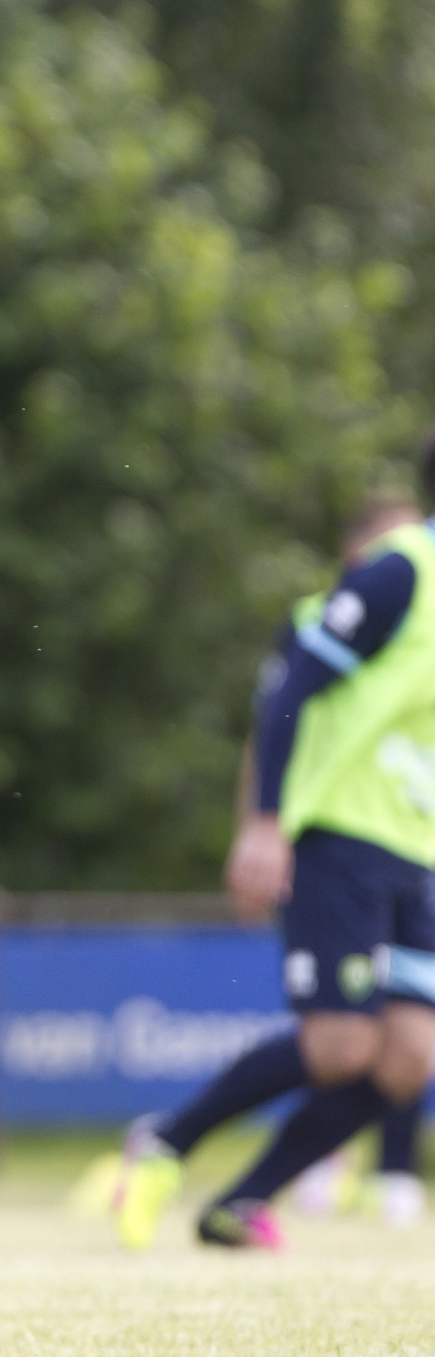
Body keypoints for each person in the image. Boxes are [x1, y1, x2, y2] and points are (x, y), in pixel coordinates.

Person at [115, 474, 435, 1249]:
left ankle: (241, 1201)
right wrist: (263, 824)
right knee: (341, 1044)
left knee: (410, 1057)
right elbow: (288, 692)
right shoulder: (401, 572)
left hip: (416, 849)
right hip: (343, 832)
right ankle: (167, 1140)